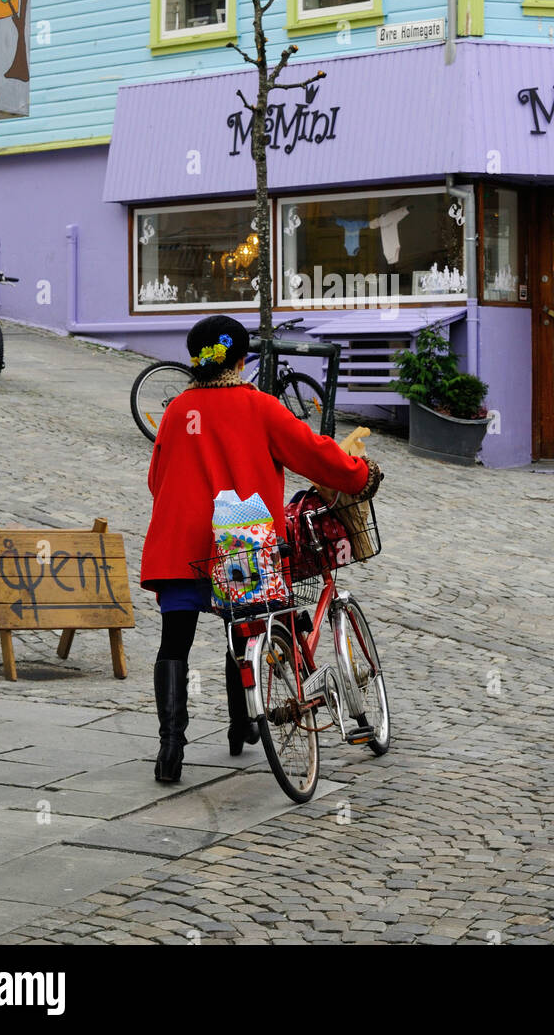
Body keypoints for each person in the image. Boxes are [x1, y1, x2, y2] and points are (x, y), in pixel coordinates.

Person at [140, 314, 382, 782]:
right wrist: (359, 475)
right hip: (241, 546)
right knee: (247, 630)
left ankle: (170, 750)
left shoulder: (176, 411)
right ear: (242, 359)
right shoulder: (261, 407)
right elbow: (315, 454)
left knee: (175, 643)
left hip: (179, 543)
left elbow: (157, 480)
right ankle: (244, 723)